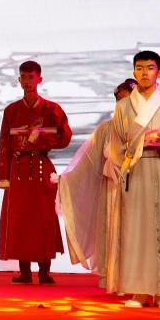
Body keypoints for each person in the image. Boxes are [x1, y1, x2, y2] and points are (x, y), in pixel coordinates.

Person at [106, 51, 160, 308]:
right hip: (137, 171)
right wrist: (141, 143)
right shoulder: (123, 107)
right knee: (136, 231)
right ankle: (140, 291)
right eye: (140, 68)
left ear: (159, 72)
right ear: (134, 72)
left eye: (150, 68)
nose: (144, 73)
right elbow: (115, 147)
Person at [0, 60, 72, 284]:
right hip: (18, 169)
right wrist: (3, 176)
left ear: (40, 79)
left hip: (40, 166)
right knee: (20, 218)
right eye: (23, 77)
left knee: (43, 217)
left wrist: (41, 136)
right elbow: (4, 144)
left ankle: (45, 270)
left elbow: (65, 137)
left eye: (31, 77)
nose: (27, 82)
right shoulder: (11, 110)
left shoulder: (51, 109)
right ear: (19, 80)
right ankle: (25, 271)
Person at [57, 79, 136, 287]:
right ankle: (111, 273)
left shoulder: (143, 128)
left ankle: (137, 276)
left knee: (135, 231)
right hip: (111, 189)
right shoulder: (106, 129)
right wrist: (66, 179)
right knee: (112, 229)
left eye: (128, 100)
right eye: (119, 100)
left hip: (137, 188)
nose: (123, 105)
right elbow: (88, 160)